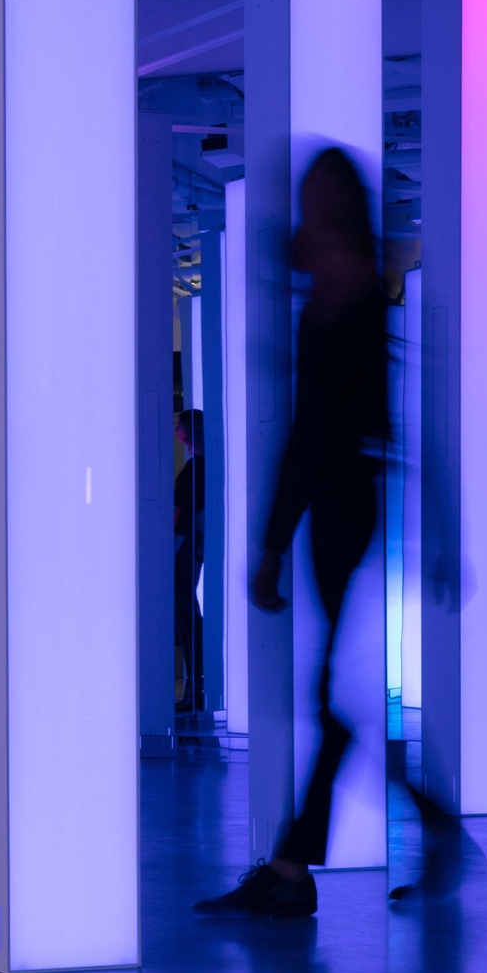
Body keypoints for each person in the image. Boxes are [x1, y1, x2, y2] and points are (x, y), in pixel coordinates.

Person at [196, 147, 386, 920]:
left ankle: (294, 867)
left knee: (330, 698)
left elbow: (311, 435)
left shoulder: (337, 309)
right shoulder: (352, 299)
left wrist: (272, 543)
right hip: (346, 503)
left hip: (338, 507)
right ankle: (294, 865)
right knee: (329, 695)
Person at [174, 408, 206, 713]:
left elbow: (183, 514)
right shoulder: (200, 467)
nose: (176, 430)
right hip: (191, 546)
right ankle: (196, 688)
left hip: (185, 547)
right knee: (186, 614)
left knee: (186, 615)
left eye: (179, 426)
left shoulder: (195, 469)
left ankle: (196, 688)